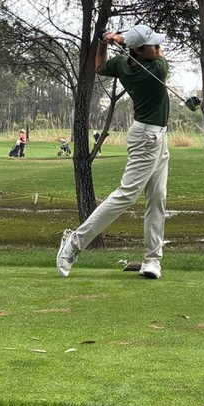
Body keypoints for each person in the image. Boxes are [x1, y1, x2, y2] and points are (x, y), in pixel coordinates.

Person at [57, 25, 170, 280]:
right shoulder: (157, 69)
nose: (158, 47)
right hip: (147, 138)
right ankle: (75, 242)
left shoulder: (122, 64)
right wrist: (119, 39)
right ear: (138, 51)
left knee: (157, 197)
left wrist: (103, 42)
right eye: (153, 45)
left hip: (157, 136)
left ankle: (152, 260)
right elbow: (159, 57)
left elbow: (99, 66)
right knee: (126, 195)